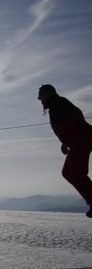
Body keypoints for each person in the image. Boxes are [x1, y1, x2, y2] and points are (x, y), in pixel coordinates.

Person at [38, 84, 92, 217]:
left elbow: (75, 121)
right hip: (80, 141)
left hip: (82, 141)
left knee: (75, 173)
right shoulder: (58, 104)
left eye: (41, 95)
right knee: (69, 172)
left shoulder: (59, 104)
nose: (39, 98)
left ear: (48, 93)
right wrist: (64, 143)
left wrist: (68, 141)